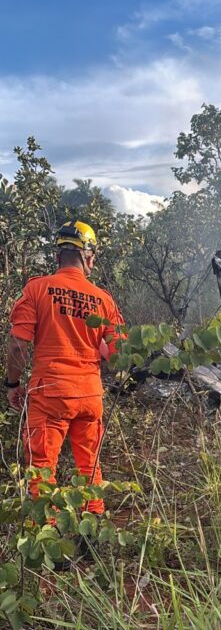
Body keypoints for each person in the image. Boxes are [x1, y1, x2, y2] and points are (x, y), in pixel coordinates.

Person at [4, 220, 124, 515]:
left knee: (42, 467)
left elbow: (18, 346)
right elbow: (117, 356)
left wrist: (12, 384)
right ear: (89, 257)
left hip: (50, 394)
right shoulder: (104, 300)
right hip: (90, 396)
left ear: (57, 256)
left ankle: (47, 534)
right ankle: (93, 524)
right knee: (90, 465)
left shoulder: (37, 289)